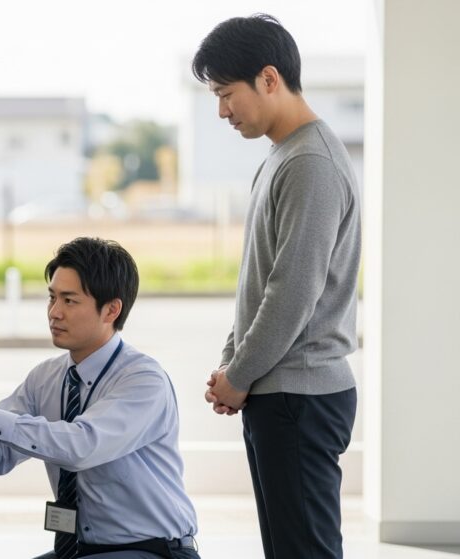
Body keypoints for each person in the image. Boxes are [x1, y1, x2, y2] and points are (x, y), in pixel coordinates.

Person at [192, 14, 361, 559]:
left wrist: (237, 375)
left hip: (301, 395)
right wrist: (230, 364)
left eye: (226, 93)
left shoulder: (310, 161)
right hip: (283, 392)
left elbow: (292, 293)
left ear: (269, 78)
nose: (221, 110)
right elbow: (259, 279)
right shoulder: (282, 156)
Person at [0, 237, 198, 559]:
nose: (54, 313)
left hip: (150, 551)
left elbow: (81, 447)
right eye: (51, 298)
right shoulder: (46, 378)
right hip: (80, 550)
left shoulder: (143, 380)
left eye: (69, 301)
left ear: (111, 309)